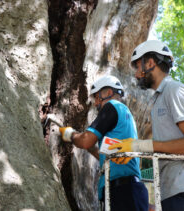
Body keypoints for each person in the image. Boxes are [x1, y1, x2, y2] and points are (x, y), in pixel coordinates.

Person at [109, 40, 184, 211]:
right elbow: (157, 152)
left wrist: (139, 145)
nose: (136, 75)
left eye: (137, 67)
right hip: (170, 193)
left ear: (150, 63)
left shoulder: (174, 90)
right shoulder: (158, 100)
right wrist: (152, 201)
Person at [59, 75, 149, 211]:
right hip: (130, 190)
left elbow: (85, 141)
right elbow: (108, 155)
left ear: (108, 92)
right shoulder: (125, 115)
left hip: (123, 191)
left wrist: (70, 134)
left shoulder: (111, 106)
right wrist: (90, 148)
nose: (95, 103)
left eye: (96, 97)